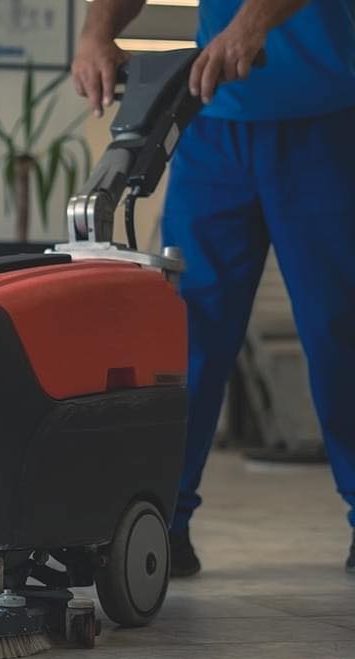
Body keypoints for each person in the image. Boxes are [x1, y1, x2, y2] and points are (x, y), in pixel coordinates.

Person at [72, 0, 355, 576]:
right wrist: (96, 32)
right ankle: (161, 525)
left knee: (338, 335)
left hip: (328, 119)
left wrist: (250, 24)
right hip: (212, 126)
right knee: (184, 336)